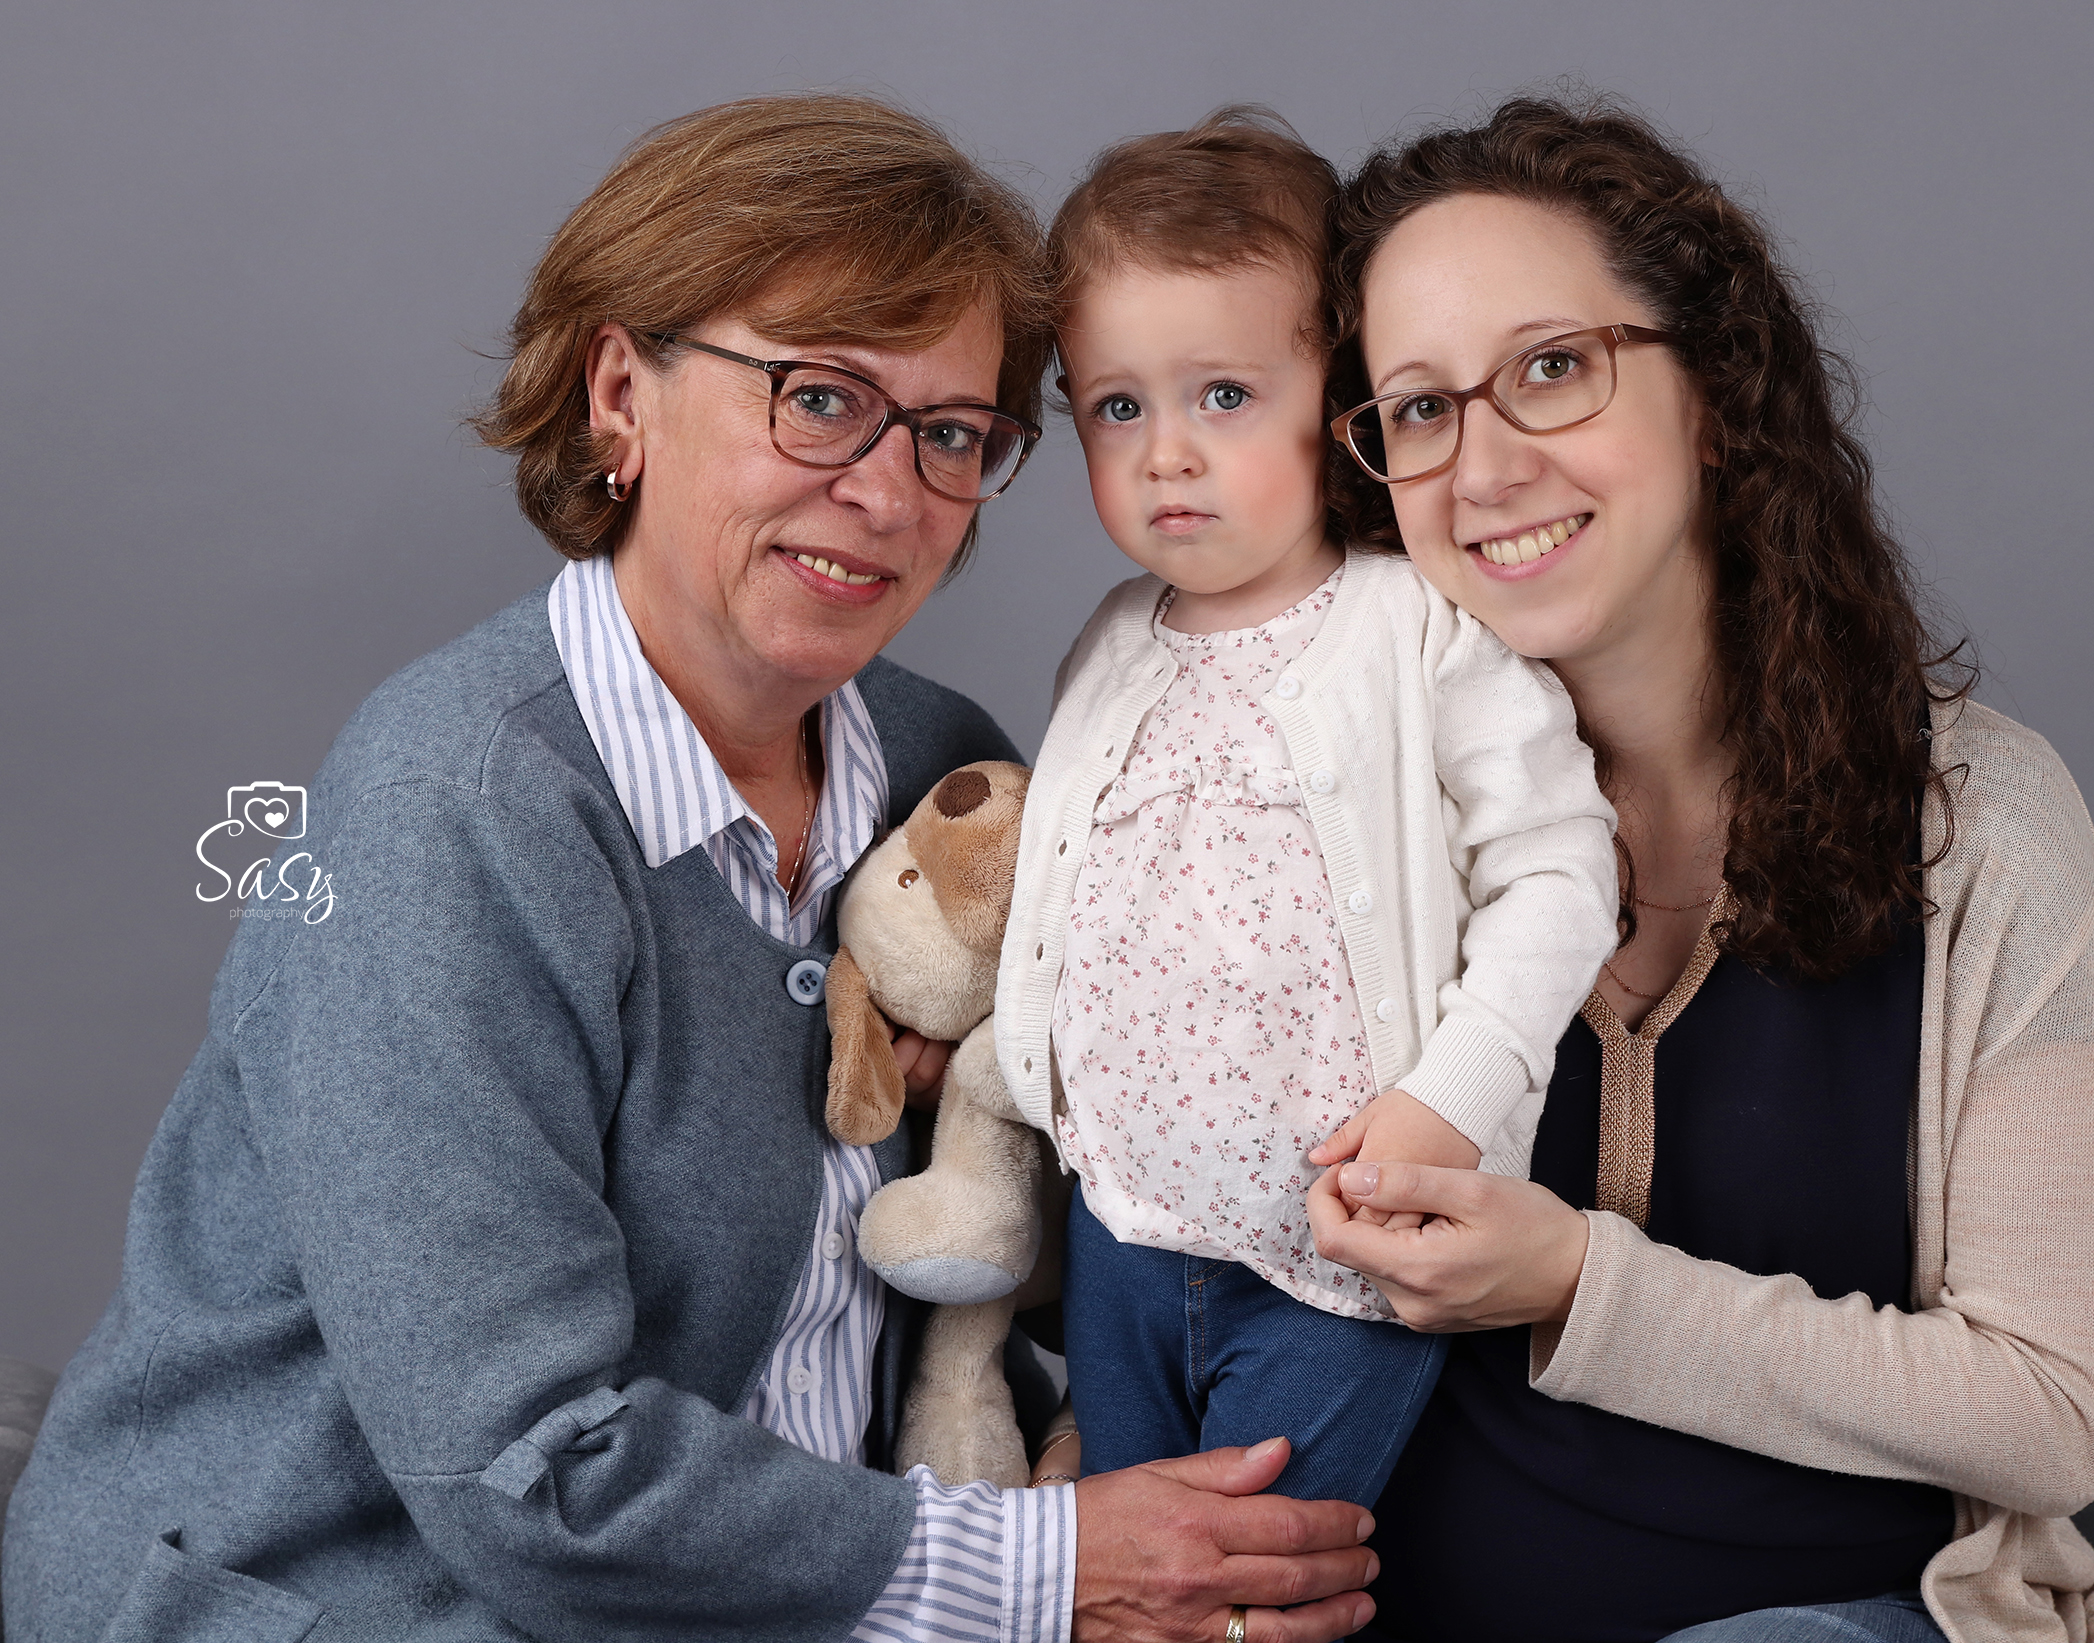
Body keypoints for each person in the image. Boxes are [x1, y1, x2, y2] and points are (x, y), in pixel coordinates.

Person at [1, 95, 1380, 1643]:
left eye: (949, 435)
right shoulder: (453, 811)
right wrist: (1050, 1574)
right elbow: (529, 1472)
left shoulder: (950, 780)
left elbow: (1009, 1244)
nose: (886, 489)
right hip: (340, 1596)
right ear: (618, 395)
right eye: (816, 399)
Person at [1299, 96, 2094, 1643]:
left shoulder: (1985, 828)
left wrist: (1577, 1283)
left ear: (1714, 392)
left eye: (1552, 369)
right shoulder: (1353, 819)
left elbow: (2054, 1410)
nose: (1481, 467)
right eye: (1417, 408)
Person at [994, 111, 1618, 1512]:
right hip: (1123, 1232)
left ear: (1333, 399)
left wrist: (1447, 1103)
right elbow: (1079, 900)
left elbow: (1561, 871)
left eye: (1223, 395)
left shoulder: (1420, 629)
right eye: (1118, 406)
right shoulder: (1106, 645)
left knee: (1258, 1578)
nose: (1166, 454)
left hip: (1342, 1254)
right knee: (1134, 1571)